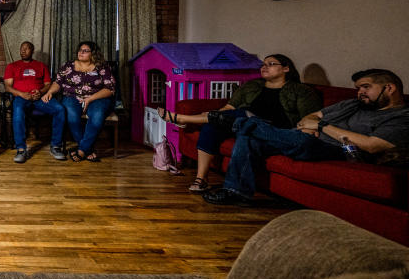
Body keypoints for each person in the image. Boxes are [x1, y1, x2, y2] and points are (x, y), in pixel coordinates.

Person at [204, 69, 409, 206]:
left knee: (263, 132)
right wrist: (313, 124)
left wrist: (322, 127)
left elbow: (372, 146)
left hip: (339, 150)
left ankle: (237, 123)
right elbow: (313, 116)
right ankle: (236, 191)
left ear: (389, 88)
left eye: (366, 87)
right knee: (250, 137)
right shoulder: (353, 104)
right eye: (358, 88)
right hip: (305, 137)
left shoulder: (400, 117)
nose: (360, 93)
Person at [157, 54, 321, 192]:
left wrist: (308, 129)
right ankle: (201, 180)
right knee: (213, 124)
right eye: (263, 64)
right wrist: (209, 115)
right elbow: (229, 107)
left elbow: (309, 118)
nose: (264, 67)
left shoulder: (301, 91)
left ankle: (182, 119)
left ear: (286, 68)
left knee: (244, 114)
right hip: (241, 122)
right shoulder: (252, 86)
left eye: (271, 64)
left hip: (273, 130)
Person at [43, 41, 115, 163]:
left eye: (85, 50)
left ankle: (81, 150)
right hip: (72, 97)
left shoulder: (102, 67)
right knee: (72, 117)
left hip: (97, 97)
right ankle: (88, 149)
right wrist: (50, 92)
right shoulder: (68, 66)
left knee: (97, 117)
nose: (81, 52)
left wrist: (90, 99)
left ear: (93, 54)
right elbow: (57, 82)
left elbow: (110, 89)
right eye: (80, 50)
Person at [4, 41, 66, 163]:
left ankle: (56, 146)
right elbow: (7, 86)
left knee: (60, 109)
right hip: (21, 97)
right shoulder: (12, 66)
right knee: (17, 110)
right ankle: (21, 149)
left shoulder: (41, 66)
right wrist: (22, 94)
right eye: (22, 48)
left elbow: (48, 84)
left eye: (27, 49)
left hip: (39, 97)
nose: (23, 51)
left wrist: (41, 92)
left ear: (32, 51)